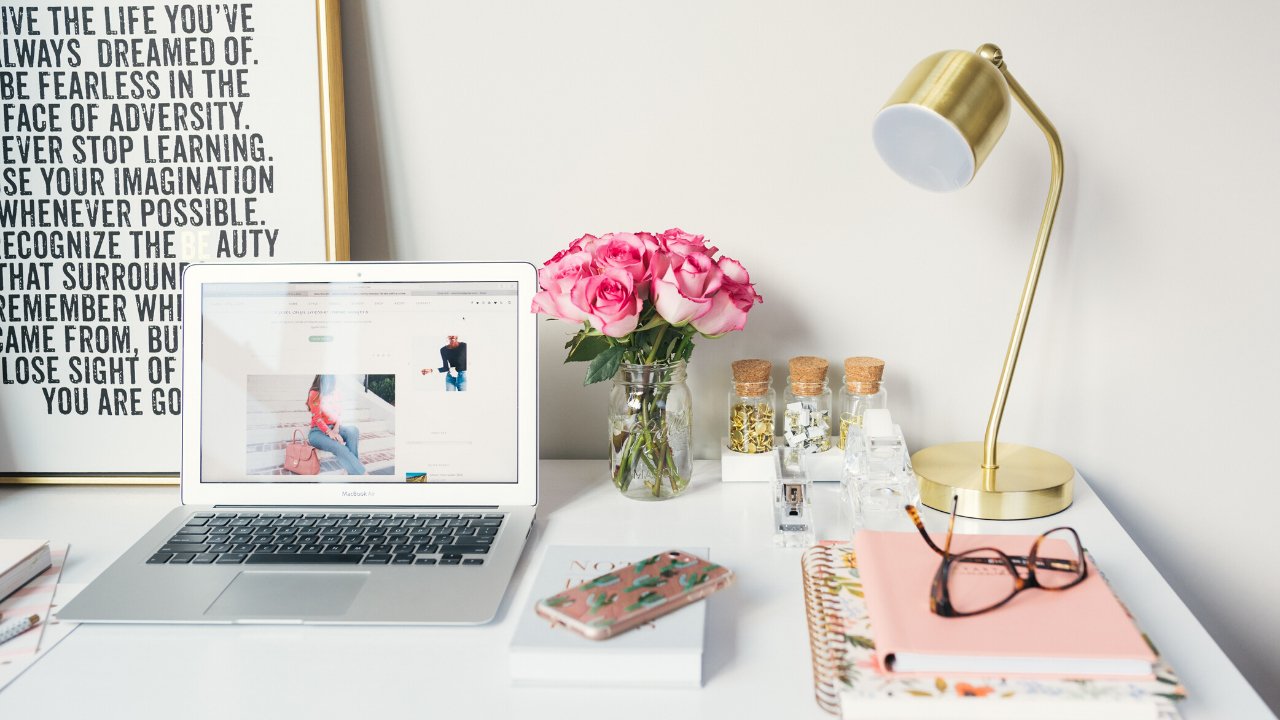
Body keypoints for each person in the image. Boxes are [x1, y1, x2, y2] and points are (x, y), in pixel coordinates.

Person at [304, 374, 366, 475]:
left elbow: (339, 413)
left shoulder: (335, 393)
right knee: (339, 447)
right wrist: (330, 433)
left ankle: (352, 470)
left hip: (334, 428)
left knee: (353, 430)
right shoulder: (314, 393)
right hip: (317, 432)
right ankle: (361, 474)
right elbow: (317, 418)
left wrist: (336, 429)